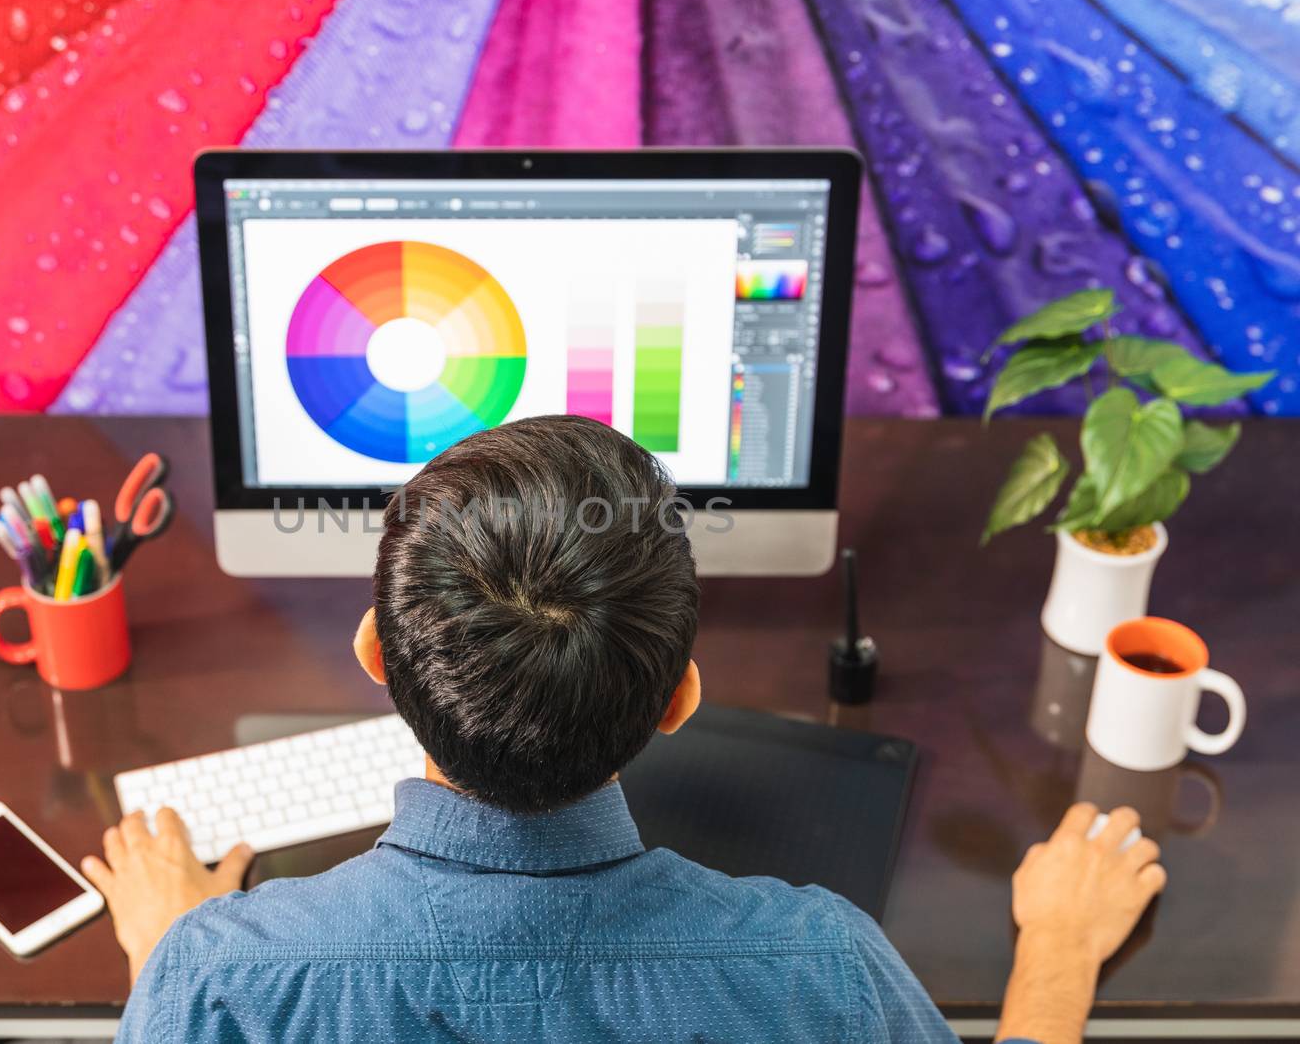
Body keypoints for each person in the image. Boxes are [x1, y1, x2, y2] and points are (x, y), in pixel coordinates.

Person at [83, 415, 1166, 1043]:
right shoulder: (816, 964)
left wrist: (171, 954)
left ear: (375, 652)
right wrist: (1062, 946)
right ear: (678, 697)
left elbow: (205, 989)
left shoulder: (222, 980)